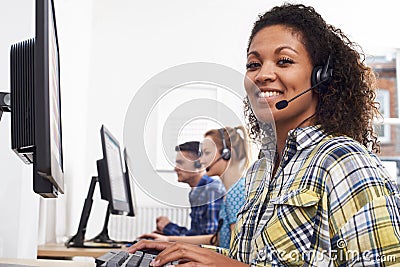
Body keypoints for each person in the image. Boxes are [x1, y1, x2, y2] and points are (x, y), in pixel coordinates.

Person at [128, 4, 400, 266]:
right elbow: (253, 259)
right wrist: (185, 251)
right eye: (253, 64)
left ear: (321, 78)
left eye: (284, 61)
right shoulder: (262, 168)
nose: (263, 75)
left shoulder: (344, 162)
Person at [140, 126, 250, 249]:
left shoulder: (235, 192)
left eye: (207, 153)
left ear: (227, 153)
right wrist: (167, 240)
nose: (201, 161)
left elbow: (237, 252)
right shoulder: (228, 193)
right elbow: (215, 240)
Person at [155, 141, 226, 236]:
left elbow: (209, 239)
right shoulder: (195, 193)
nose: (175, 169)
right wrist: (167, 231)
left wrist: (168, 229)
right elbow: (194, 235)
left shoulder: (212, 190)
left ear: (199, 164)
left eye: (180, 163)